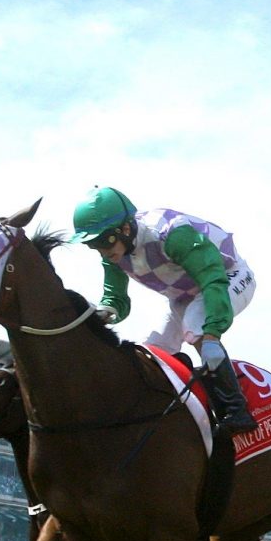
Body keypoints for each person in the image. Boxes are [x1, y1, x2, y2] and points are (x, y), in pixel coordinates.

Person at [69, 186, 258, 435]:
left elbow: (212, 278)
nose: (102, 250)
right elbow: (116, 298)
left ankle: (236, 410)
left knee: (195, 326)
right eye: (93, 244)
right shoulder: (114, 252)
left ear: (124, 229)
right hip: (184, 296)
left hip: (226, 277)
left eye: (104, 241)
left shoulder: (171, 234)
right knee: (152, 351)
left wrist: (212, 334)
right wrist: (106, 312)